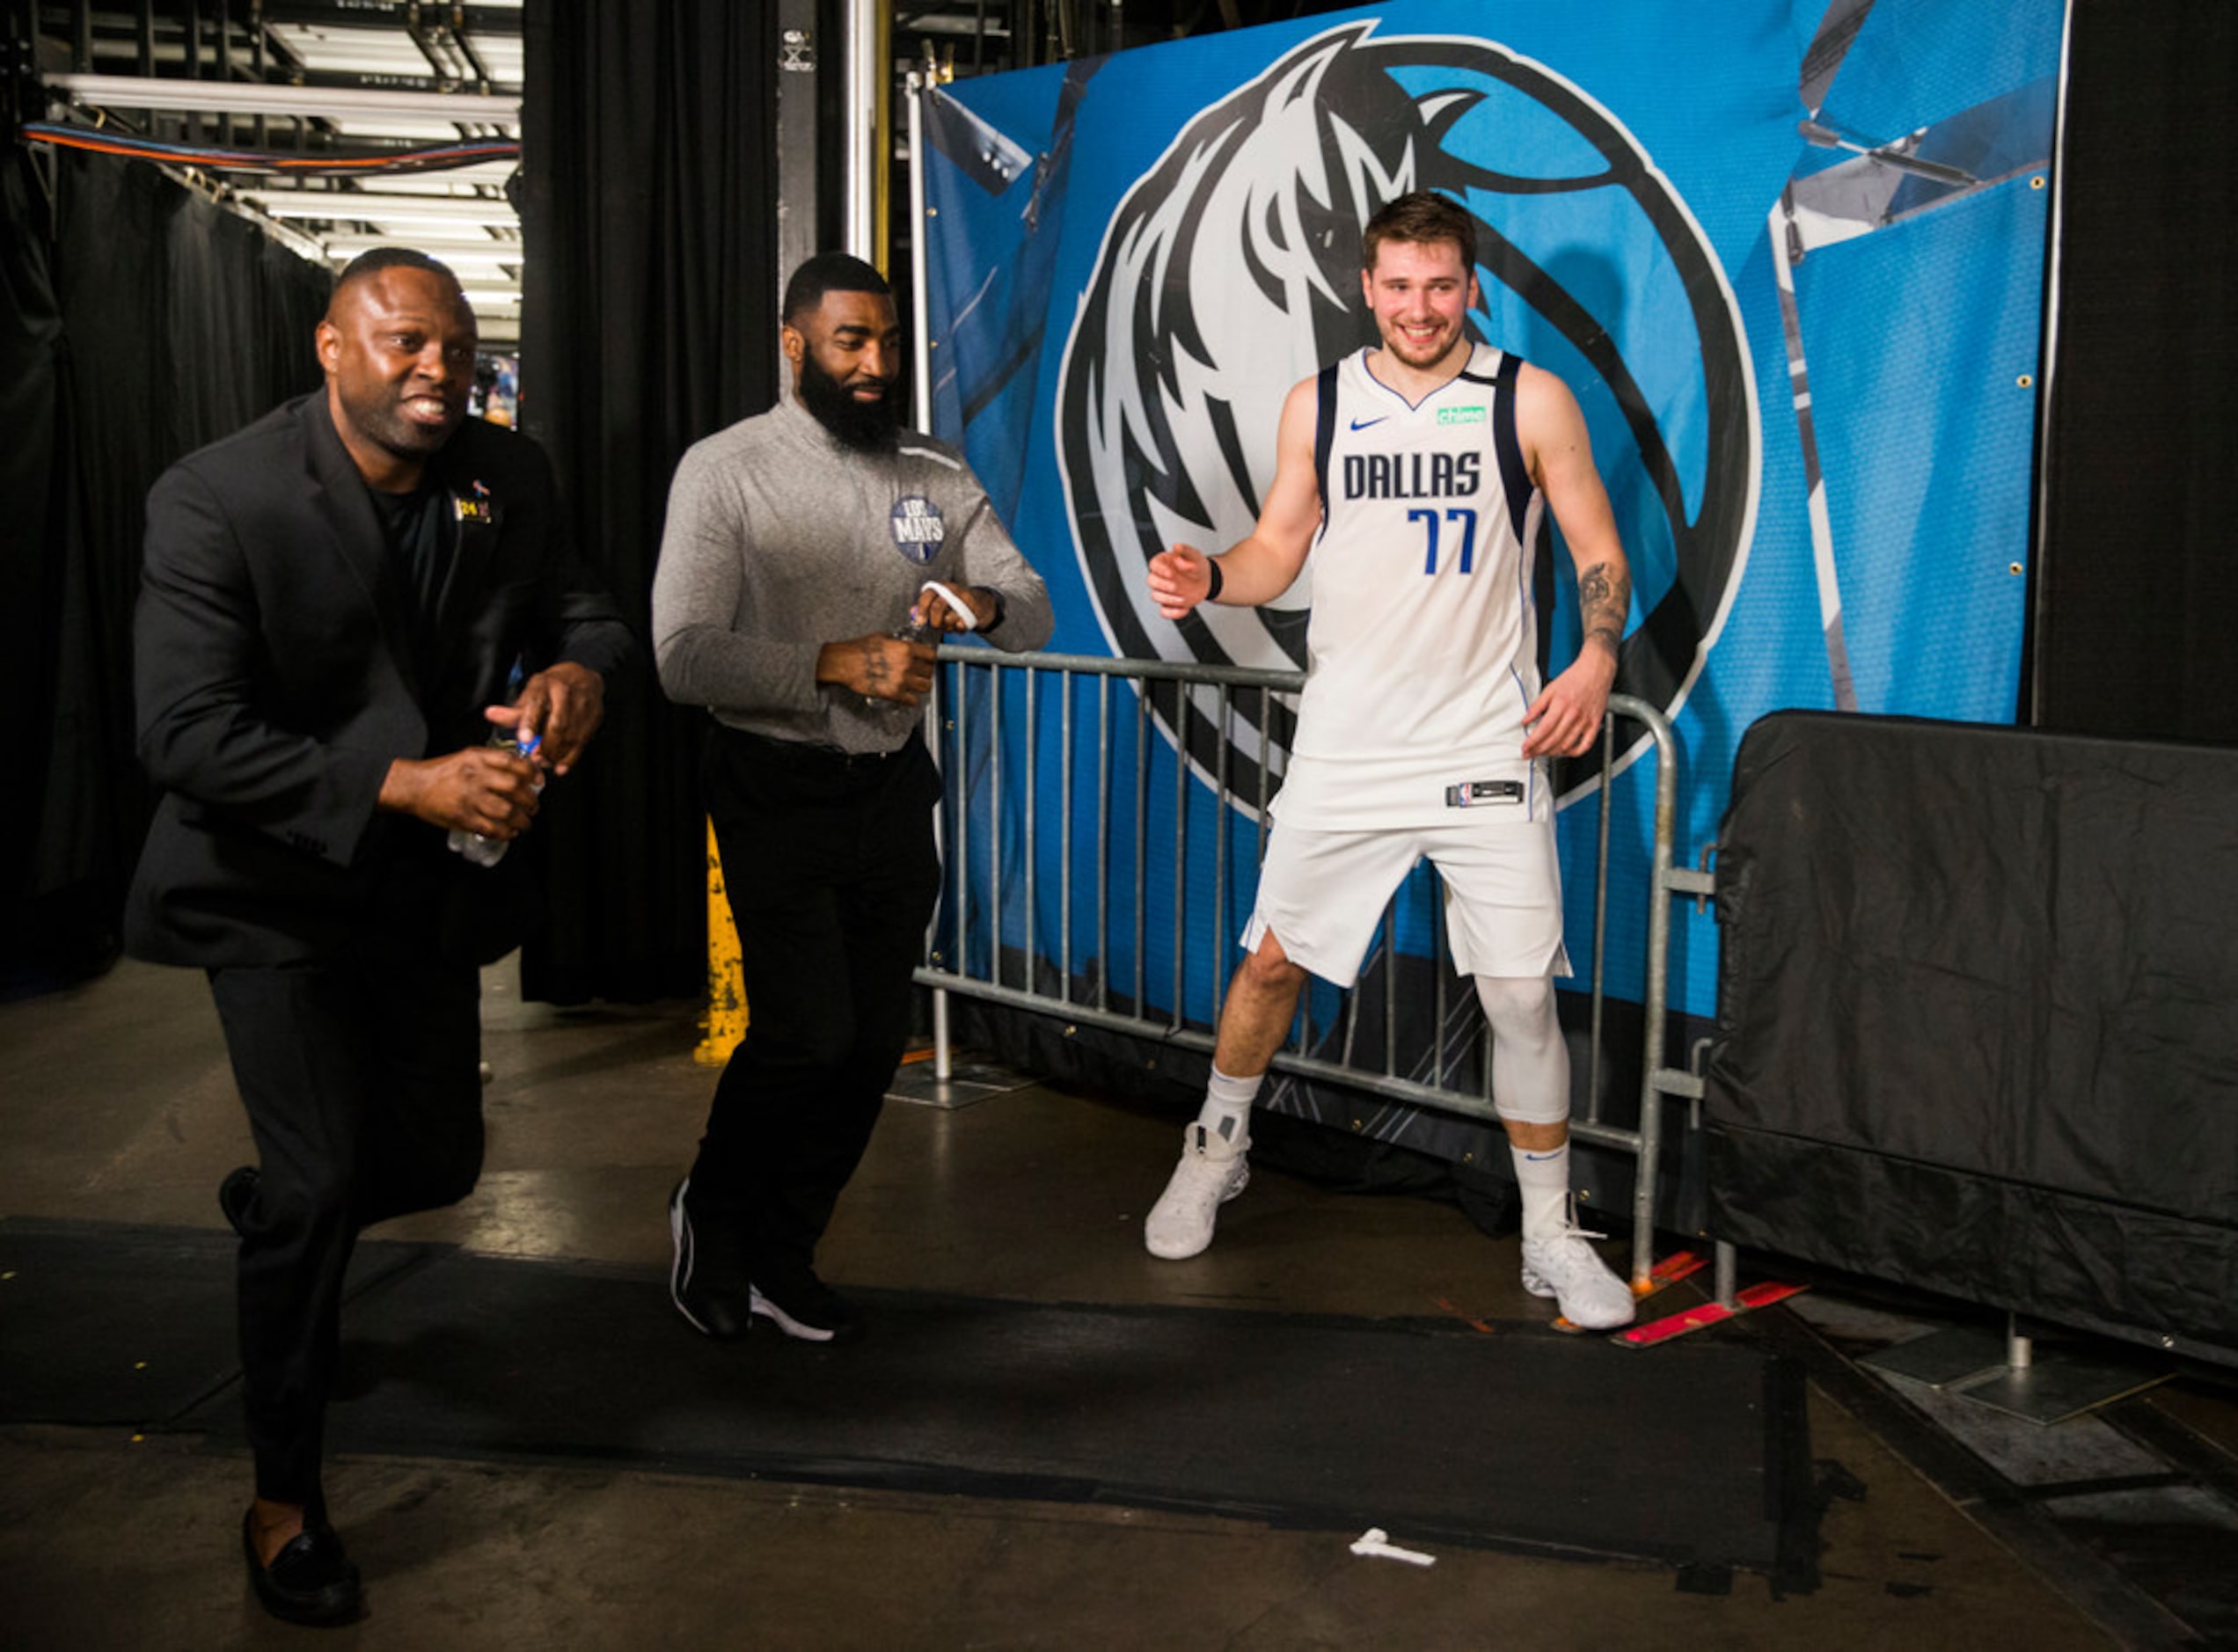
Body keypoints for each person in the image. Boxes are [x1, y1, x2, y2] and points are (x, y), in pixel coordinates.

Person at [125, 248, 633, 1625]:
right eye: (406, 341)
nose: (437, 369)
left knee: (436, 1159)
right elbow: (179, 732)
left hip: (424, 892)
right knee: (322, 1178)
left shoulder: (502, 472)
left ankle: (287, 1199)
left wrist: (580, 669)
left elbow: (577, 602)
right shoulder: (215, 497)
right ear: (331, 348)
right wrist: (404, 783)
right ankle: (284, 1499)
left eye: (455, 346)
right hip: (270, 886)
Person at [1139, 191, 1638, 1331]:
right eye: (1399, 285)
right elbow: (1276, 547)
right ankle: (1215, 1145)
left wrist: (1597, 655)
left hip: (1484, 738)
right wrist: (1213, 575)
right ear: (1367, 288)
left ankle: (1552, 1235)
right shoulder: (1321, 404)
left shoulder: (1530, 397)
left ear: (1471, 287)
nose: (1420, 307)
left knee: (1519, 994)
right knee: (1271, 964)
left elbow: (1597, 547)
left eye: (1441, 284)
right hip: (1351, 742)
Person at [652, 252, 1052, 1344]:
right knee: (806, 1034)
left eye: (885, 341)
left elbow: (1033, 605)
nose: (875, 364)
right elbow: (683, 657)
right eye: (849, 343)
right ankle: (713, 1214)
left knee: (874, 1042)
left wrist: (977, 598)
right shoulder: (724, 471)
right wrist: (833, 662)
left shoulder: (933, 471)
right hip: (773, 783)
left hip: (890, 790)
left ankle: (785, 1253)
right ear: (795, 346)